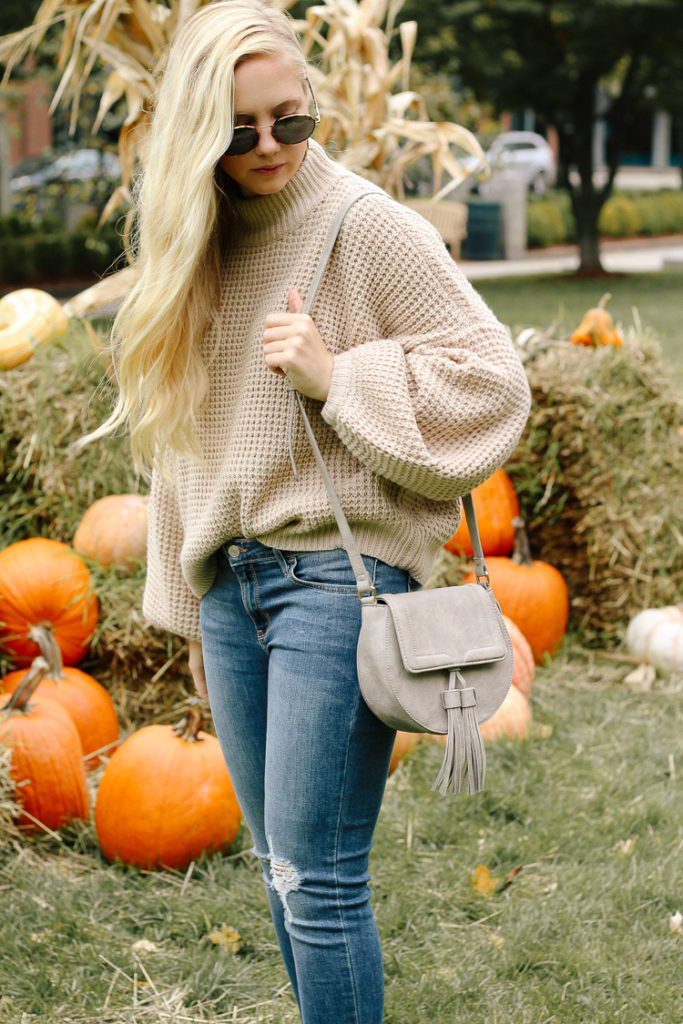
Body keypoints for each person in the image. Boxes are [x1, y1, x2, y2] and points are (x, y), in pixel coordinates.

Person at [90, 2, 530, 1020]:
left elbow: (492, 379)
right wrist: (191, 599)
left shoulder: (362, 225)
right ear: (201, 136)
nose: (269, 149)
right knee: (281, 870)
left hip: (337, 586)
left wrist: (339, 376)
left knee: (321, 877)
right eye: (239, 131)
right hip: (240, 584)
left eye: (290, 120)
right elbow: (189, 438)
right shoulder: (197, 239)